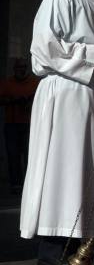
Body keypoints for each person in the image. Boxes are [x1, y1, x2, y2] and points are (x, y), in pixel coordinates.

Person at [20, 0, 94, 265]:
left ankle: (77, 243)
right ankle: (52, 249)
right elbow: (42, 50)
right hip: (65, 94)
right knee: (62, 167)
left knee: (85, 167)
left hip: (86, 94)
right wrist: (92, 53)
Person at [0, 59, 39, 193]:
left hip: (29, 124)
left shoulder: (34, 82)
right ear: (14, 69)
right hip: (11, 124)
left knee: (29, 154)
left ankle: (30, 183)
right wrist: (14, 101)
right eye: (18, 67)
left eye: (23, 67)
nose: (21, 70)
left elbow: (40, 98)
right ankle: (16, 185)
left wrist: (30, 101)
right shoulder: (8, 83)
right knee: (13, 155)